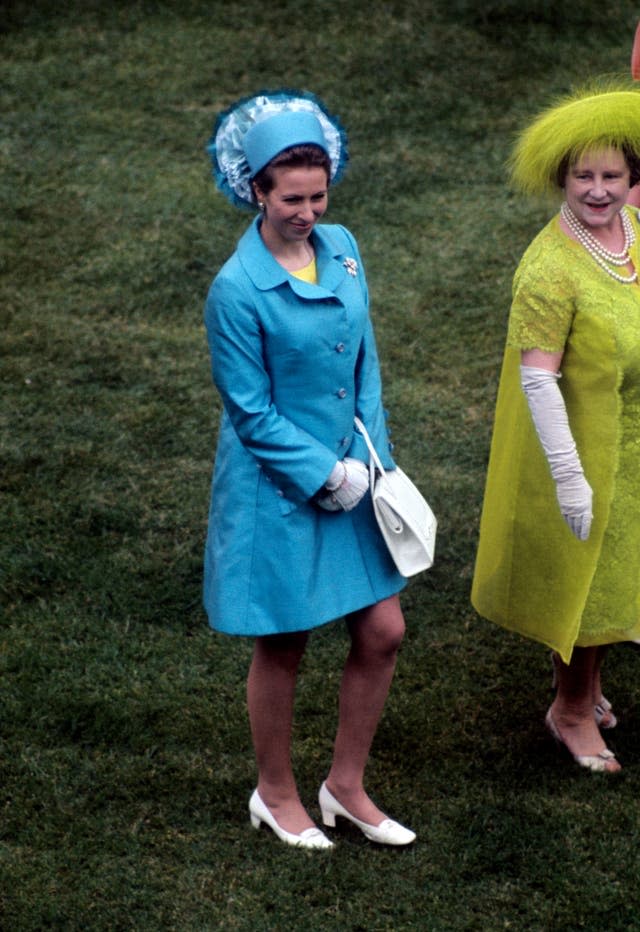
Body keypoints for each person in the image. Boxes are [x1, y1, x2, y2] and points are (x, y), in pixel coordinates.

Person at [202, 90, 415, 847]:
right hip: (281, 493)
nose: (308, 212)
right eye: (291, 197)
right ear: (254, 189)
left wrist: (373, 463)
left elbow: (364, 364)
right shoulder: (235, 291)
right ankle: (275, 791)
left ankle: (345, 786)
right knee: (285, 642)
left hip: (356, 478)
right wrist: (325, 474)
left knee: (383, 630)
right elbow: (251, 413)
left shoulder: (345, 246)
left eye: (318, 195)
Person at [471, 84, 640, 774]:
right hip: (577, 444)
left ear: (634, 180)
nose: (597, 191)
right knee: (590, 585)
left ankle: (586, 688)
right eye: (583, 176)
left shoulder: (634, 232)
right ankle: (570, 710)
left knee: (619, 574)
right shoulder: (548, 270)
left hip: (627, 429)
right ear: (560, 178)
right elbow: (538, 379)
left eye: (611, 177)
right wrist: (571, 480)